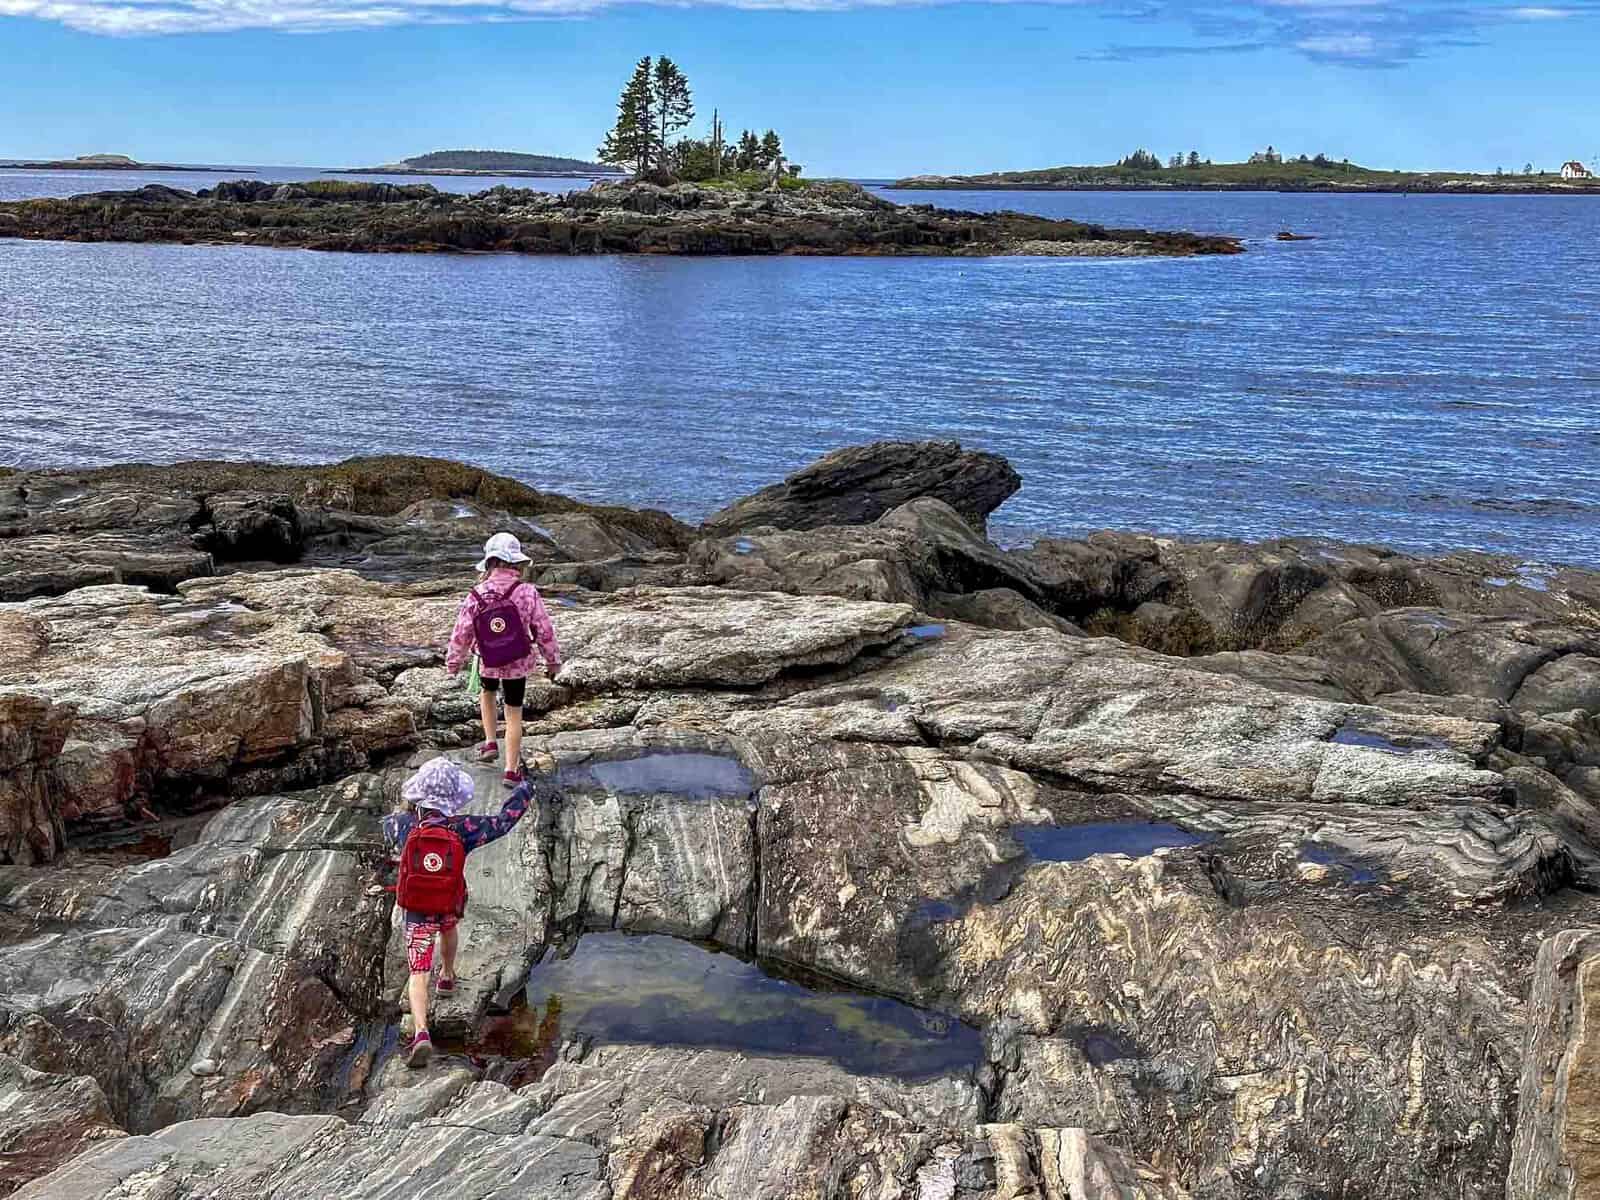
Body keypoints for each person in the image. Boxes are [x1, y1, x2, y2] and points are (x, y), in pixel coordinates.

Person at [383, 753, 555, 1068]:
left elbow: (391, 843)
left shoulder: (400, 825)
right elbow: (503, 823)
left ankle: (422, 1032)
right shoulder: (463, 827)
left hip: (417, 908)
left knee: (418, 971)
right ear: (454, 798)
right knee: (449, 931)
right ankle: (448, 975)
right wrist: (526, 788)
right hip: (449, 900)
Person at [446, 532, 562, 787]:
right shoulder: (527, 591)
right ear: (517, 563)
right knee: (513, 713)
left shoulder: (477, 592)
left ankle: (490, 742)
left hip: (487, 658)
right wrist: (553, 661)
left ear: (489, 562)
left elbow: (462, 631)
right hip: (517, 662)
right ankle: (510, 770)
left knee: (486, 693)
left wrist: (453, 662)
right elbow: (544, 630)